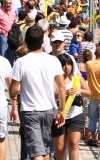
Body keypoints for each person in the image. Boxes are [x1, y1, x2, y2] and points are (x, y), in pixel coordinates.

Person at [9, 26, 67, 160]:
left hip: (30, 111)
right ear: (42, 41)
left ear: (25, 41)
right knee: (45, 149)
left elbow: (13, 88)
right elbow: (62, 86)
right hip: (49, 110)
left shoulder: (21, 62)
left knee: (36, 152)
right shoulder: (53, 60)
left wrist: (14, 94)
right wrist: (61, 111)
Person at [52, 54, 90, 160]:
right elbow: (53, 93)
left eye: (69, 64)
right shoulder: (54, 78)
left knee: (74, 144)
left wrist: (80, 91)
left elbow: (89, 92)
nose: (67, 67)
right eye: (64, 65)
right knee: (60, 148)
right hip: (59, 115)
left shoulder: (77, 78)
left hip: (75, 114)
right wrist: (65, 92)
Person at [0, 54, 16, 160]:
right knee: (1, 139)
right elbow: (11, 87)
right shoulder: (4, 61)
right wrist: (14, 108)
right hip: (1, 106)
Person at [0, 0, 17, 65]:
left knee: (11, 52)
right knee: (4, 51)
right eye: (7, 3)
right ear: (4, 4)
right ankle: (4, 65)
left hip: (12, 35)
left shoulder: (13, 12)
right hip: (3, 34)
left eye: (9, 3)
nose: (8, 5)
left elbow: (15, 20)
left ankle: (10, 66)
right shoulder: (0, 12)